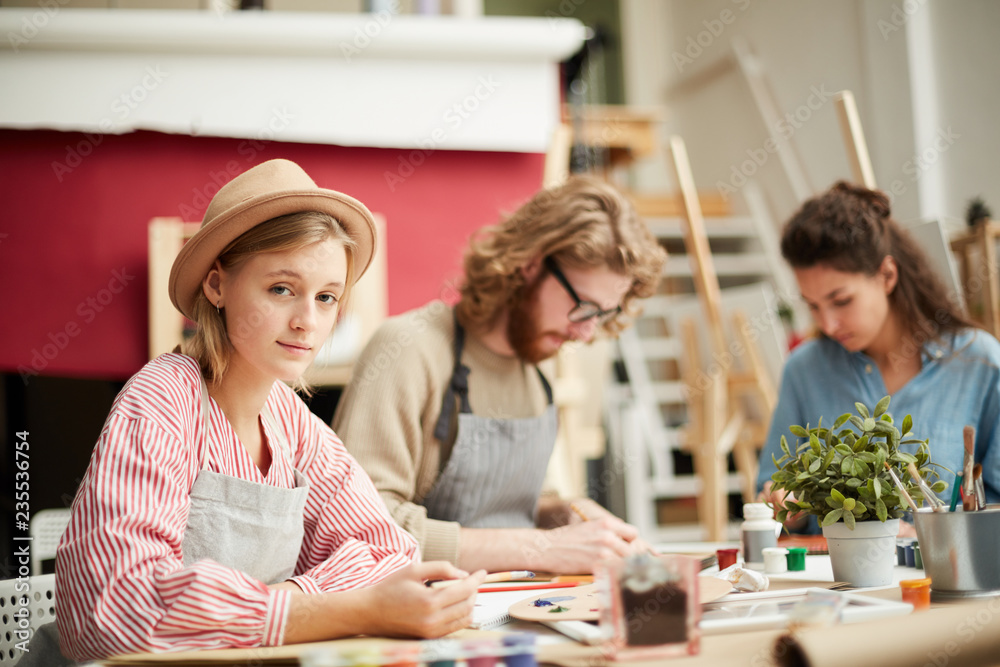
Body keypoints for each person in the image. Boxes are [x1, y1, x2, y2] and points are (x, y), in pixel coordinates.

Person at [36, 160, 483, 666]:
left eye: (327, 297)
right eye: (281, 290)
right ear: (216, 287)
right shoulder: (161, 400)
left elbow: (388, 552)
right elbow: (121, 607)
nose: (307, 322)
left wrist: (287, 603)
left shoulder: (292, 421)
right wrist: (347, 610)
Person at [332, 176, 668, 574]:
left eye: (602, 314)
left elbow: (511, 505)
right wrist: (541, 547)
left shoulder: (534, 365)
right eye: (583, 306)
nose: (585, 331)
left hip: (510, 606)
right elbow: (359, 527)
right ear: (530, 264)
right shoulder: (408, 349)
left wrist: (569, 516)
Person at [757, 181, 1000, 525]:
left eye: (841, 301)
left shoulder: (979, 362)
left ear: (887, 275)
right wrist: (783, 504)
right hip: (829, 578)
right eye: (812, 306)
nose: (828, 323)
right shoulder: (804, 370)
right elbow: (769, 491)